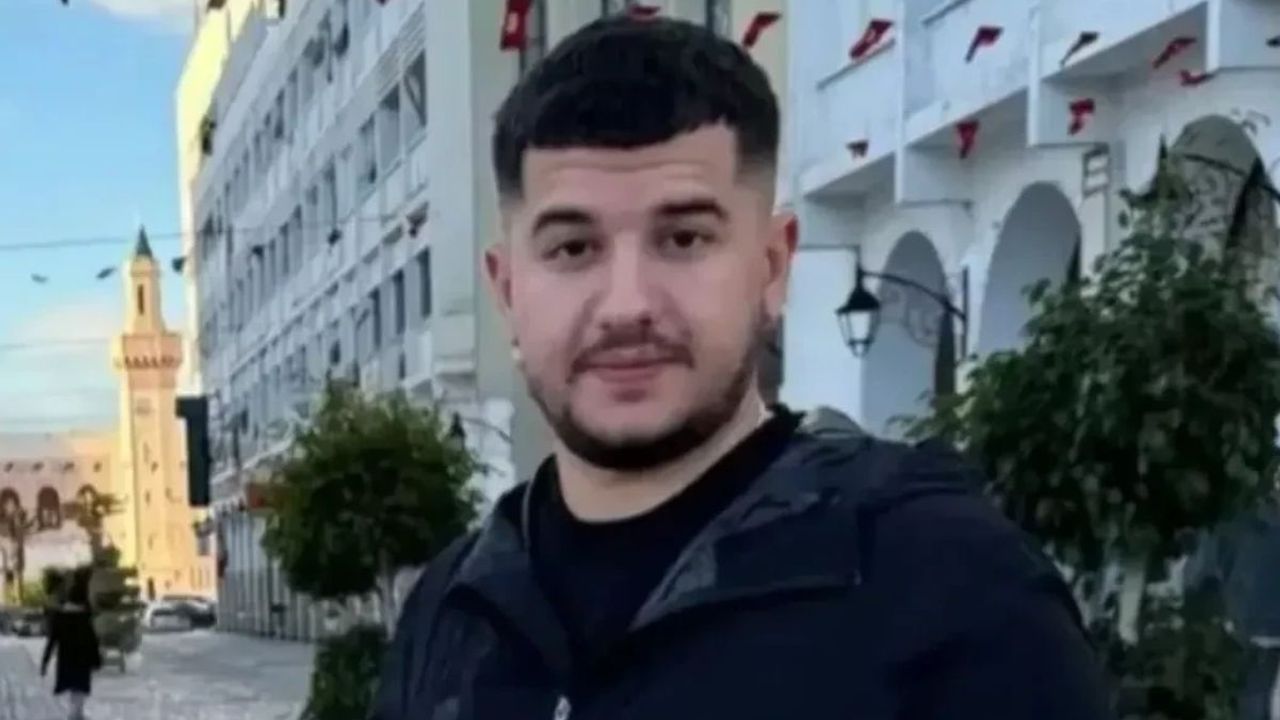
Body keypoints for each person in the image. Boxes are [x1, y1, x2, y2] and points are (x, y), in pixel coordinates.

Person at [372, 15, 1114, 720]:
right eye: (573, 248)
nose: (627, 305)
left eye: (683, 239)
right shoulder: (452, 609)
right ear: (507, 290)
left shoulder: (949, 587)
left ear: (772, 265)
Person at [41, 568, 102, 720]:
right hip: (82, 660)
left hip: (66, 659)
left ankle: (76, 714)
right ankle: (76, 715)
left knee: (74, 688)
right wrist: (96, 659)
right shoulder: (84, 619)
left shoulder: (60, 618)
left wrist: (45, 662)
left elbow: (52, 641)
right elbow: (92, 640)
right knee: (79, 689)